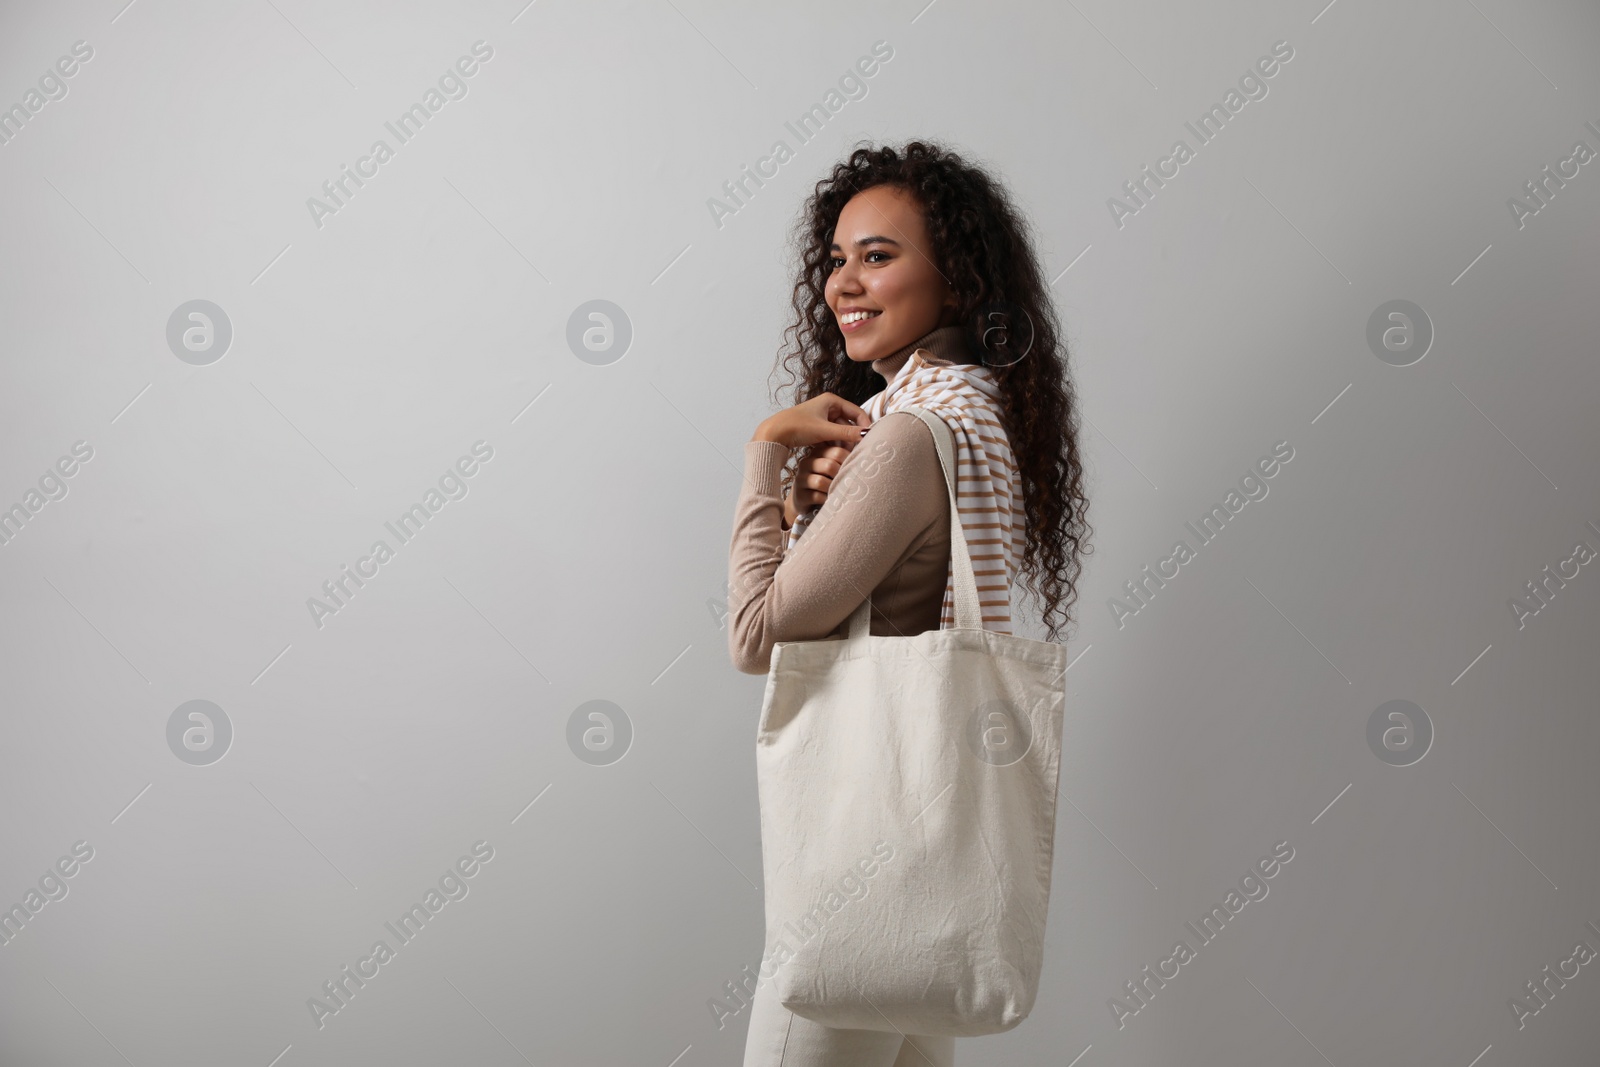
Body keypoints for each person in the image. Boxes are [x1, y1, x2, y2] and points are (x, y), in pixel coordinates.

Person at [726, 141, 1092, 1066]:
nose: (843, 284)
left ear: (957, 281)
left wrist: (767, 450)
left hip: (858, 869)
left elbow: (756, 634)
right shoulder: (979, 419)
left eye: (878, 256)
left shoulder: (904, 438)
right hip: (931, 876)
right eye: (837, 259)